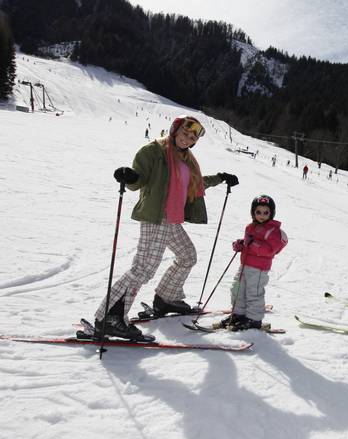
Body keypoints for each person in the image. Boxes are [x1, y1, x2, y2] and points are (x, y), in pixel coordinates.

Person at [93, 115, 239, 341]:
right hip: (156, 217)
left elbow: (196, 182)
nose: (187, 139)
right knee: (143, 268)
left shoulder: (186, 159)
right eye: (184, 133)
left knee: (187, 256)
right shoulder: (154, 151)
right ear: (175, 130)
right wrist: (129, 177)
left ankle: (166, 298)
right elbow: (138, 179)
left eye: (192, 137)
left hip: (172, 219)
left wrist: (221, 178)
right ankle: (110, 318)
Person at [214, 195, 288, 330]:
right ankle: (238, 314)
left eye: (266, 212)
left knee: (254, 293)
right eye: (258, 212)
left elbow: (269, 250)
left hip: (259, 269)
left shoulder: (274, 231)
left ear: (271, 213)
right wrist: (241, 245)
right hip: (244, 265)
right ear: (253, 212)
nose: (262, 215)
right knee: (237, 290)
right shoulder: (250, 227)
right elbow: (249, 245)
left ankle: (254, 320)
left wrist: (252, 243)